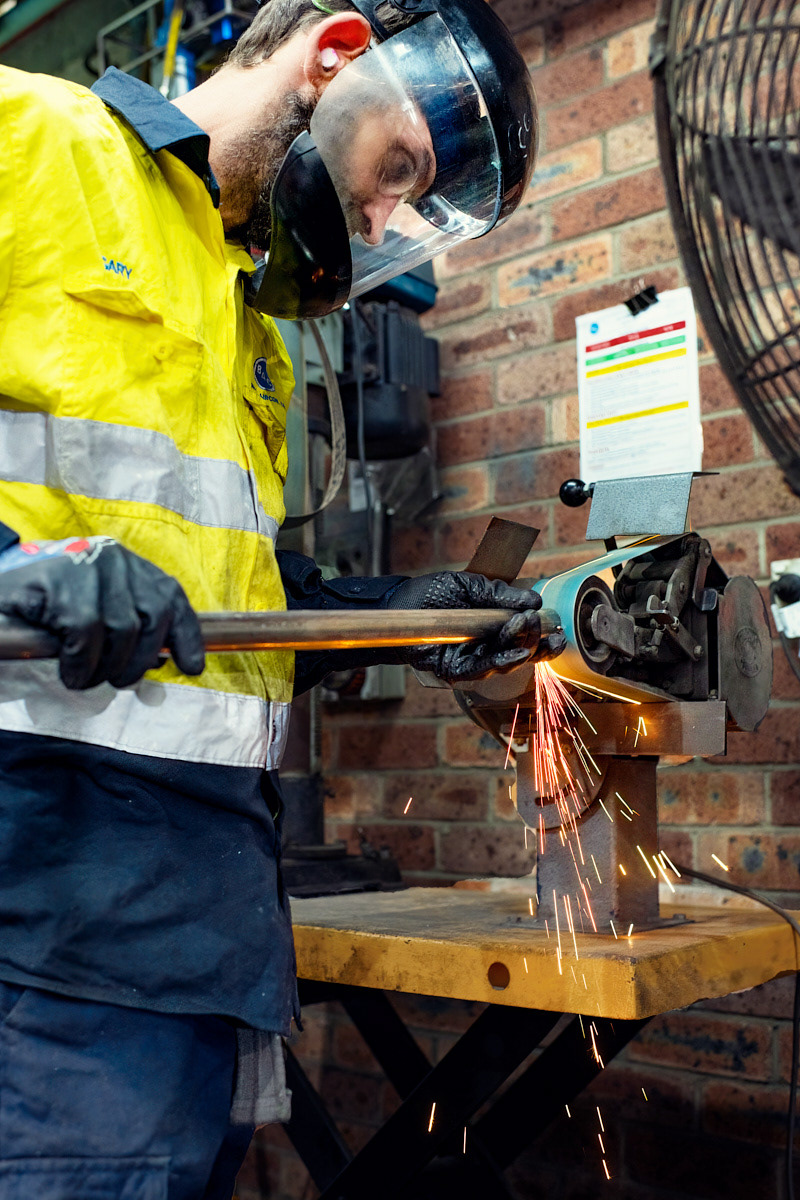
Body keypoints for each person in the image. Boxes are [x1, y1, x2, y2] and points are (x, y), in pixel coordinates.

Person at [0, 1, 554, 1195]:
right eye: (397, 169)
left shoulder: (245, 317)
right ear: (336, 52)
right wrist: (14, 570)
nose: (381, 220)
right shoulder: (30, 136)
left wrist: (391, 612)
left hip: (204, 934)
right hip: (47, 915)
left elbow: (218, 593)